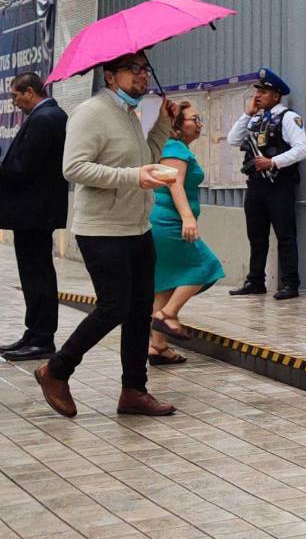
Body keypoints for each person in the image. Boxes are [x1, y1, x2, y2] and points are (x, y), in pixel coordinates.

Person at [35, 51, 177, 418]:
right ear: (110, 76)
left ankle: (134, 391)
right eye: (133, 70)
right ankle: (56, 369)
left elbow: (146, 159)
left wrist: (162, 125)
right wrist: (132, 177)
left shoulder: (129, 114)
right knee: (114, 305)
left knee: (139, 311)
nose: (142, 77)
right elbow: (74, 167)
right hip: (102, 229)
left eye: (145, 69)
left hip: (137, 226)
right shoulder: (92, 112)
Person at [147, 101, 226, 365]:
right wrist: (188, 217)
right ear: (178, 125)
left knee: (166, 283)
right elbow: (174, 183)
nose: (199, 122)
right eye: (193, 118)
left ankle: (157, 346)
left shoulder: (177, 148)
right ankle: (167, 314)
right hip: (169, 221)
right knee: (206, 265)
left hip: (166, 220)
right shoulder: (174, 148)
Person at [0, 73, 68, 361]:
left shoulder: (46, 118)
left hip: (35, 211)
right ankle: (34, 332)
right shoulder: (48, 116)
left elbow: (23, 167)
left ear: (29, 91)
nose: (15, 102)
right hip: (34, 211)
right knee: (32, 274)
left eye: (16, 96)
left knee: (37, 274)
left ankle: (42, 338)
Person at [227, 68, 306, 300]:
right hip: (256, 185)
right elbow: (233, 139)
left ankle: (290, 283)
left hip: (278, 184)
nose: (258, 96)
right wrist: (246, 114)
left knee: (285, 235)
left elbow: (302, 149)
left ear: (276, 95)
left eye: (264, 92)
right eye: (258, 92)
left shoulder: (288, 118)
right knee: (256, 235)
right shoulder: (255, 118)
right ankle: (255, 281)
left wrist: (273, 162)